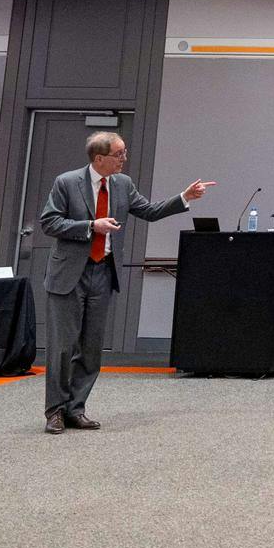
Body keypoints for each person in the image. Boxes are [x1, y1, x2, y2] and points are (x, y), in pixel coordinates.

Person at [40, 132, 214, 435]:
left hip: (103, 273)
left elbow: (149, 211)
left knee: (91, 349)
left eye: (124, 152)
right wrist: (91, 226)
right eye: (119, 153)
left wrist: (184, 197)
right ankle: (54, 411)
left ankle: (75, 409)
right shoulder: (67, 182)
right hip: (69, 275)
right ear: (100, 158)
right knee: (63, 348)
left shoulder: (123, 185)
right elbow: (49, 222)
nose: (124, 158)